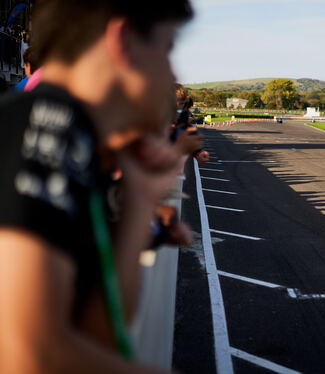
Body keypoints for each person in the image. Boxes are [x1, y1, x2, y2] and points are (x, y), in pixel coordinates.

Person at [0, 0, 194, 373]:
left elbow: (102, 335)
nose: (170, 72)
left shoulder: (76, 139)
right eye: (166, 50)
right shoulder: (47, 119)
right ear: (122, 39)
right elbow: (28, 357)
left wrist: (140, 194)